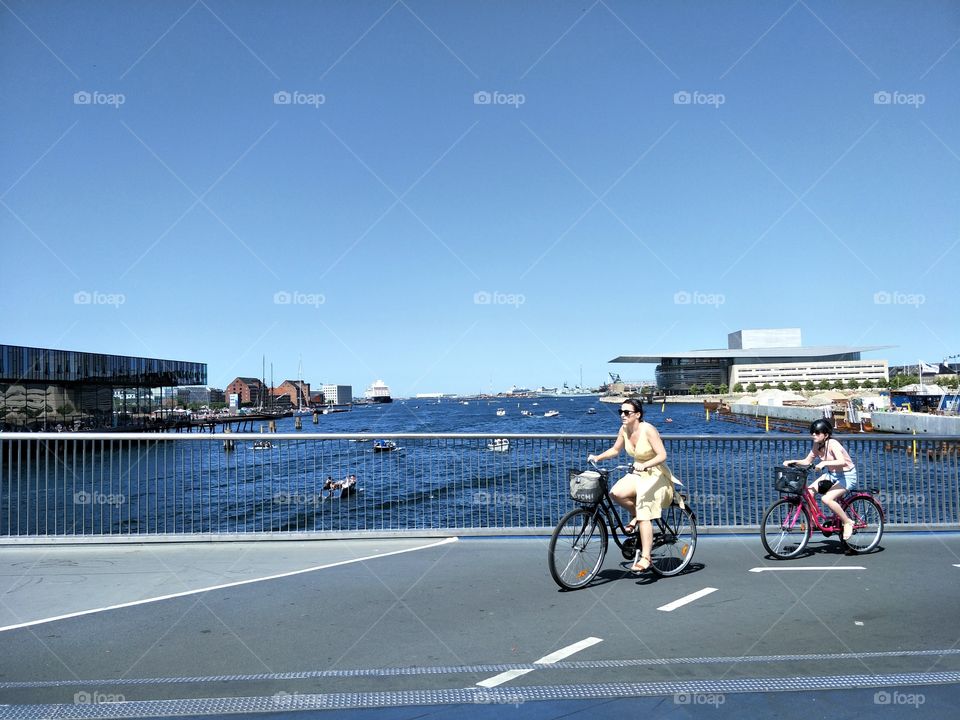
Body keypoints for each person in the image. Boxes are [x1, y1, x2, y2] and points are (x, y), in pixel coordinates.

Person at [587, 399, 679, 573]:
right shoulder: (624, 429)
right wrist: (598, 457)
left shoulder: (648, 429)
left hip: (656, 473)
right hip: (638, 471)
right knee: (616, 493)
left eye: (627, 412)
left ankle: (646, 557)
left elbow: (662, 455)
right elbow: (615, 450)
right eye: (620, 411)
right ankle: (636, 516)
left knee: (645, 513)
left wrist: (645, 465)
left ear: (637, 415)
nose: (622, 415)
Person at [784, 419, 857, 540]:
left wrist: (824, 463)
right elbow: (807, 461)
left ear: (826, 435)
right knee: (809, 492)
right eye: (812, 432)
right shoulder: (817, 445)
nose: (814, 435)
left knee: (826, 499)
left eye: (817, 433)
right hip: (832, 474)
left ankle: (847, 522)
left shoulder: (833, 443)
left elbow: (842, 461)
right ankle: (813, 521)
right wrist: (793, 461)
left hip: (847, 475)